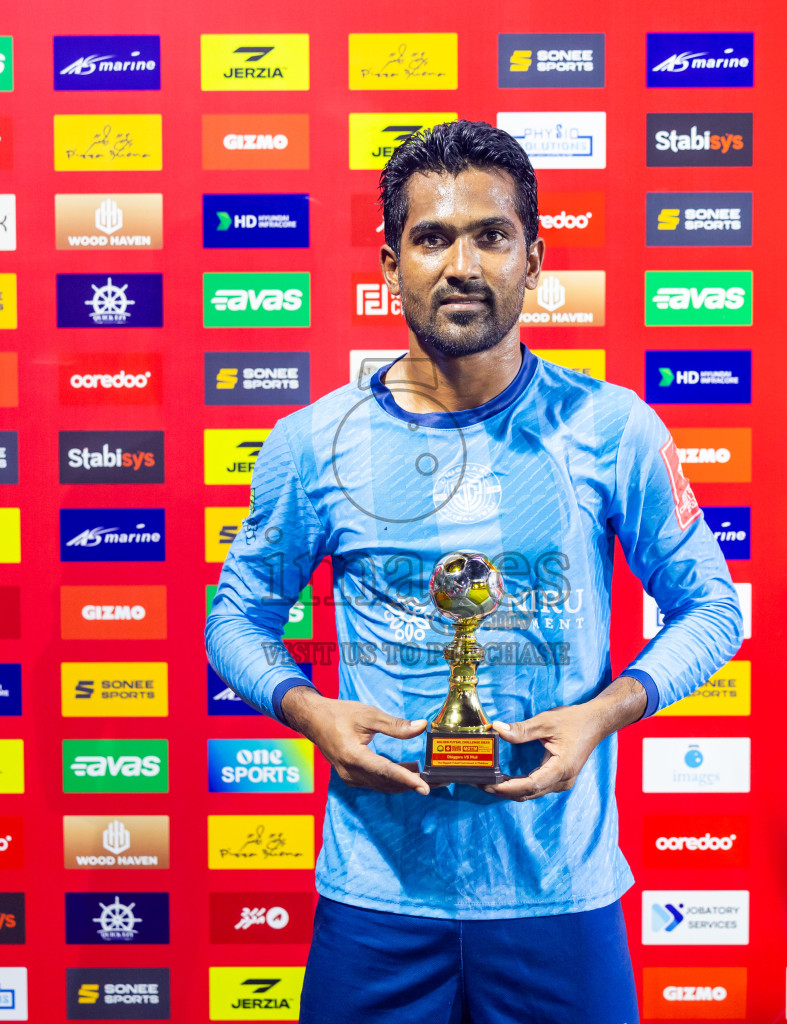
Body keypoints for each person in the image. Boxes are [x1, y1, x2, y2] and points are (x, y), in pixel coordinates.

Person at [205, 119, 743, 1024]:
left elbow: (712, 608)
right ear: (389, 265)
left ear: (533, 260)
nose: (462, 264)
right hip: (378, 897)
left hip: (558, 894)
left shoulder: (613, 429)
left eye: (491, 236)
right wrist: (312, 713)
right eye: (431, 238)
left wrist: (604, 714)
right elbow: (237, 618)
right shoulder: (311, 443)